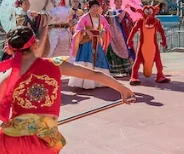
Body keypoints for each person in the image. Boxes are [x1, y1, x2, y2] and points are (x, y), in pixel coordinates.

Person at [0, 26, 134, 153]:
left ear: (9, 50)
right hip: (44, 143)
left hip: (10, 141)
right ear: (36, 44)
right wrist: (122, 89)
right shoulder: (56, 65)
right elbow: (95, 74)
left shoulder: (7, 77)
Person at [68, 0, 111, 89]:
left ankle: (100, 82)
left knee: (100, 59)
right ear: (90, 8)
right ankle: (84, 82)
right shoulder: (85, 17)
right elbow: (78, 28)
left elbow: (107, 26)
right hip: (87, 42)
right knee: (87, 60)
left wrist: (104, 31)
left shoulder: (101, 17)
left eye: (97, 7)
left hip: (97, 41)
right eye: (93, 7)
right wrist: (86, 31)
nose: (95, 9)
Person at [105, 0, 133, 79]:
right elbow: (105, 21)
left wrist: (123, 20)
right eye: (117, 1)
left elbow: (129, 21)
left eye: (120, 1)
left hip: (122, 34)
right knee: (111, 50)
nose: (119, 3)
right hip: (112, 34)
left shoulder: (124, 12)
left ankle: (127, 69)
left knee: (124, 49)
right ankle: (112, 70)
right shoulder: (110, 12)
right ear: (114, 2)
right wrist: (114, 18)